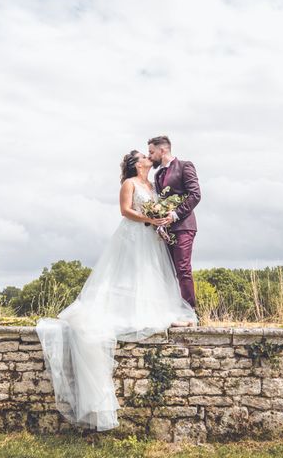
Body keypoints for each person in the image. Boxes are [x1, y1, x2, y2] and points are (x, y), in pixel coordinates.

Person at [35, 150, 198, 432]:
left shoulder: (153, 184)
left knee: (150, 275)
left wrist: (159, 221)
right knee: (130, 274)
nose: (149, 158)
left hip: (151, 237)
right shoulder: (130, 183)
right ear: (137, 164)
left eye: (149, 155)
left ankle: (150, 310)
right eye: (143, 156)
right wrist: (150, 220)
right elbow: (125, 211)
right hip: (134, 236)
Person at [148, 136, 201, 308]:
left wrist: (175, 214)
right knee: (168, 270)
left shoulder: (185, 166)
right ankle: (172, 310)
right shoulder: (157, 175)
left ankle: (190, 312)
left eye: (151, 152)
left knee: (183, 269)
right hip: (165, 230)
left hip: (184, 226)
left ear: (162, 150)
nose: (149, 156)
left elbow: (195, 195)